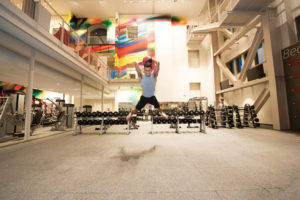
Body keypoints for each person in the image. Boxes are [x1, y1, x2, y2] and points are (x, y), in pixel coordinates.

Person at [126, 56, 168, 121]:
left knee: (159, 108)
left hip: (152, 97)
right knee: (136, 110)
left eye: (149, 70)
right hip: (143, 98)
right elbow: (136, 64)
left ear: (151, 70)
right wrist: (140, 61)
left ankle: (162, 113)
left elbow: (158, 63)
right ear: (144, 70)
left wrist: (151, 59)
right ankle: (131, 113)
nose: (147, 72)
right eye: (146, 70)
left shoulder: (154, 75)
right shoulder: (141, 76)